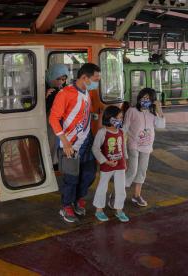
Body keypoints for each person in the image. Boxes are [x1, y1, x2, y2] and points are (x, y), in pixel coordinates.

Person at [49, 63, 100, 223]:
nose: (97, 82)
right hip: (70, 145)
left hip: (87, 142)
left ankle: (78, 199)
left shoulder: (86, 92)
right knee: (71, 179)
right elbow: (53, 118)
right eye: (95, 79)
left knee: (89, 175)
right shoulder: (65, 93)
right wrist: (65, 143)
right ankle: (66, 206)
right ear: (85, 78)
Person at [119, 88, 164, 207]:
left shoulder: (153, 113)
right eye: (143, 98)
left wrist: (159, 109)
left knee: (141, 171)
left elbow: (160, 126)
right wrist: (121, 146)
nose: (145, 100)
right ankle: (117, 195)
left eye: (148, 99)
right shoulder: (132, 111)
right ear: (139, 99)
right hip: (134, 145)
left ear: (153, 100)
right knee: (132, 171)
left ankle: (136, 195)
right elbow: (125, 128)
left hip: (147, 147)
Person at [92, 106, 129, 223]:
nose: (121, 120)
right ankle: (99, 210)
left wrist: (125, 160)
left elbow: (123, 148)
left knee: (120, 188)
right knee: (102, 187)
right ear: (110, 118)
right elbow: (95, 149)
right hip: (107, 166)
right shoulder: (102, 132)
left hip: (120, 165)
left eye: (122, 118)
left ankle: (119, 210)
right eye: (119, 118)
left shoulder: (121, 132)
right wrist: (105, 161)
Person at [45, 64, 69, 169]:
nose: (60, 82)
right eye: (58, 78)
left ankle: (57, 163)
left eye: (63, 79)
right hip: (49, 122)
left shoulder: (65, 90)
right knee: (50, 143)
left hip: (62, 121)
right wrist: (45, 97)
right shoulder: (45, 88)